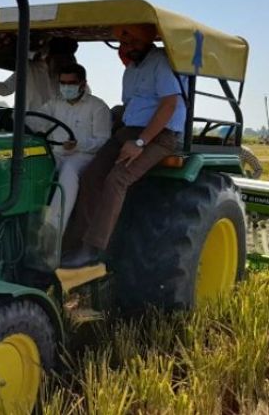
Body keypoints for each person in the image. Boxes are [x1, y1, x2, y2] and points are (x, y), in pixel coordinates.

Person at [60, 24, 186, 268]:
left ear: (147, 41)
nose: (128, 48)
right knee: (91, 176)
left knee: (117, 179)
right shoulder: (131, 69)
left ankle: (92, 249)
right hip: (129, 130)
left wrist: (140, 143)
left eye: (134, 42)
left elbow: (169, 104)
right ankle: (70, 243)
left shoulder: (160, 62)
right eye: (125, 43)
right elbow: (129, 106)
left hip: (159, 134)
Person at [34, 63, 111, 267]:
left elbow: (103, 141)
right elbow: (36, 121)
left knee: (68, 172)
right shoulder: (54, 104)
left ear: (83, 84)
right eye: (63, 83)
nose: (66, 87)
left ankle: (51, 239)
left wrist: (79, 144)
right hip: (56, 153)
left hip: (84, 156)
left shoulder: (98, 107)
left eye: (71, 83)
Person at [0, 37, 78, 112]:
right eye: (59, 58)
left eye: (67, 59)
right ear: (49, 57)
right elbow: (5, 89)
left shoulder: (76, 83)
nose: (64, 62)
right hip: (30, 128)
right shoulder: (29, 68)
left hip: (60, 132)